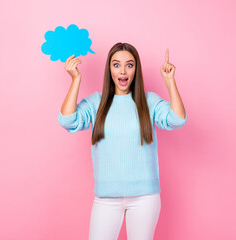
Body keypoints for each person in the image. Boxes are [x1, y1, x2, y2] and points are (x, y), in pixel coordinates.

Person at [58, 42, 187, 240]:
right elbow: (67, 120)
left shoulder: (148, 101)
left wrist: (170, 82)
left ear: (136, 69)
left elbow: (177, 119)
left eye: (130, 64)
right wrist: (76, 80)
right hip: (106, 198)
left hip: (145, 198)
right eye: (116, 65)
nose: (123, 71)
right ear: (109, 69)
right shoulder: (97, 102)